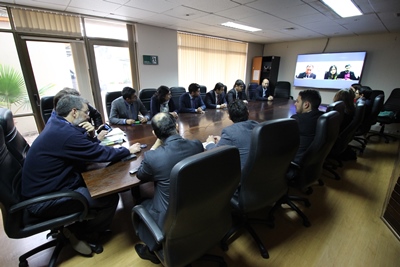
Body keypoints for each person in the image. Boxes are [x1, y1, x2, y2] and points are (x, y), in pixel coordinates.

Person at [21, 95, 141, 249]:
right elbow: (100, 154)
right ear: (74, 112)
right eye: (86, 112)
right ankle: (81, 232)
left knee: (96, 181)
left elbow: (85, 146)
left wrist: (90, 134)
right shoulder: (66, 134)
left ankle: (78, 228)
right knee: (109, 198)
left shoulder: (57, 123)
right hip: (45, 200)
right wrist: (126, 150)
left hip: (45, 188)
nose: (88, 115)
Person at [134, 112, 204, 264]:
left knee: (141, 202)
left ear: (155, 134)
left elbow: (141, 175)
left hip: (169, 218)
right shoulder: (197, 145)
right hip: (198, 206)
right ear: (177, 127)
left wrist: (154, 147)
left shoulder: (153, 157)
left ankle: (152, 250)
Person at [204, 99, 258, 171]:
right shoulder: (258, 126)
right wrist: (223, 140)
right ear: (248, 112)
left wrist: (210, 143)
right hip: (261, 171)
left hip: (244, 177)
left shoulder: (229, 132)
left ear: (229, 117)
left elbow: (215, 153)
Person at [291, 89, 324, 164]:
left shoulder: (298, 119)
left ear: (306, 104)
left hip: (295, 160)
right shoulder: (322, 116)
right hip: (311, 161)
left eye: (297, 101)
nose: (295, 104)